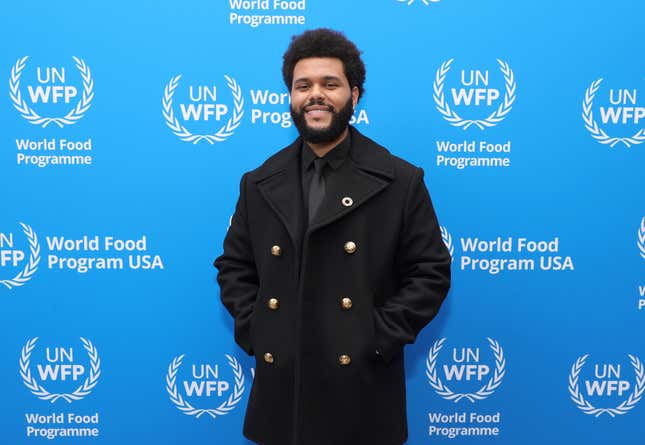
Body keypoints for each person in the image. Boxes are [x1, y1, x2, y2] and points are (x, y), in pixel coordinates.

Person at [214, 28, 451, 445]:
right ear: (290, 97)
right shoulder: (259, 182)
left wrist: (373, 339)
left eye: (330, 84)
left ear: (354, 95)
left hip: (361, 394)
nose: (315, 95)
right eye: (302, 85)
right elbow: (234, 267)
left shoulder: (399, 181)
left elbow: (430, 273)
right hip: (282, 396)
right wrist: (259, 330)